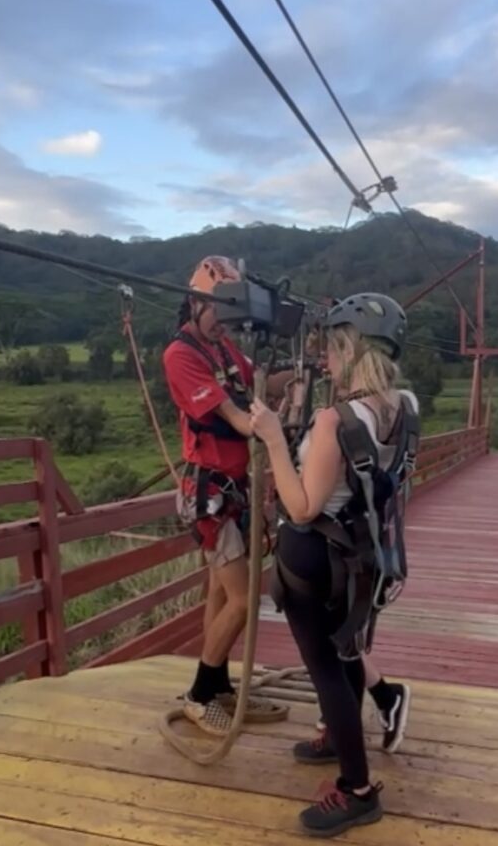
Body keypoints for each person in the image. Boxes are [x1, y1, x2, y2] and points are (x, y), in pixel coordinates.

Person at [251, 292, 419, 837]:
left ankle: (358, 788)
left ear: (350, 348)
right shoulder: (403, 408)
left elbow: (301, 506)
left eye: (330, 349)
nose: (324, 360)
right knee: (346, 652)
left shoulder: (335, 420)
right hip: (362, 558)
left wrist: (275, 436)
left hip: (315, 560)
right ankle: (338, 742)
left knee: (327, 670)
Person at [162, 255, 291, 735]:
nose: (224, 324)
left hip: (234, 489)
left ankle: (216, 687)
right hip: (211, 492)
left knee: (220, 592)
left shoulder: (223, 350)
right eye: (219, 312)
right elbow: (239, 419)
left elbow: (259, 382)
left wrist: (298, 373)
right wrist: (275, 430)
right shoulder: (182, 355)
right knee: (243, 598)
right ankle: (200, 693)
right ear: (196, 303)